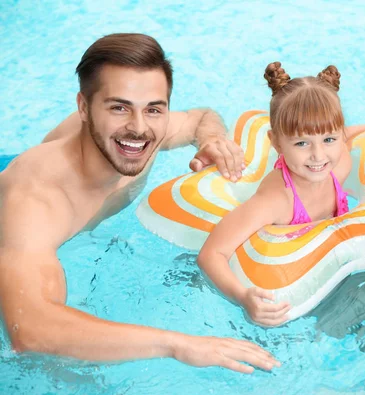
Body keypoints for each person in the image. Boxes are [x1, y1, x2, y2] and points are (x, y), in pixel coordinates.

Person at [0, 33, 279, 374]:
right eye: (119, 107)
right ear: (84, 108)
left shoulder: (143, 135)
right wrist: (178, 344)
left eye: (153, 109)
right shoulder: (35, 201)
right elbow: (30, 330)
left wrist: (212, 141)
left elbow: (199, 117)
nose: (138, 128)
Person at [197, 62, 352, 327]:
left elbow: (350, 141)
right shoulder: (276, 201)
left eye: (329, 139)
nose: (318, 156)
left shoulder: (338, 167)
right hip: (285, 290)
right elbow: (211, 254)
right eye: (302, 143)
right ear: (276, 142)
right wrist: (243, 298)